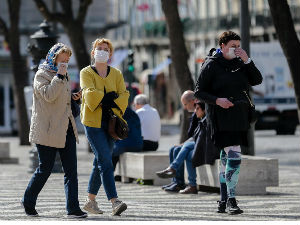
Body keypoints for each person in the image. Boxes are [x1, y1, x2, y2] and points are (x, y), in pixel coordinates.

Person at [194, 31, 263, 214]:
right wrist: (218, 100)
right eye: (233, 46)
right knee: (234, 155)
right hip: (219, 116)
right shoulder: (211, 64)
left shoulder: (241, 64)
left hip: (239, 115)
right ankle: (231, 200)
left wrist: (247, 60)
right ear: (222, 46)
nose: (236, 49)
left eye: (238, 46)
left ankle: (223, 200)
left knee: (227, 158)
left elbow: (257, 80)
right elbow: (199, 92)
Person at [21, 43, 87, 218]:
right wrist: (59, 76)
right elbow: (49, 95)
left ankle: (73, 208)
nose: (64, 63)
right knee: (45, 168)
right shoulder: (41, 75)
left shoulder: (63, 76)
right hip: (47, 129)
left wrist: (74, 98)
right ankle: (28, 201)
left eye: (67, 60)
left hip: (66, 128)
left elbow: (60, 100)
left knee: (71, 170)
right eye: (62, 60)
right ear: (53, 58)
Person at [80, 38, 129, 216]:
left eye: (105, 49)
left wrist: (106, 98)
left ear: (110, 53)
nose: (102, 51)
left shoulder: (116, 73)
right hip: (93, 123)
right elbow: (89, 94)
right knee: (106, 161)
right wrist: (109, 97)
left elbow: (124, 95)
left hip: (111, 123)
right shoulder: (86, 72)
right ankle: (114, 201)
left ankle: (90, 202)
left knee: (99, 161)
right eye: (99, 48)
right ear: (93, 52)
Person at [156, 102, 207, 194]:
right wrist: (183, 144)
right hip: (199, 145)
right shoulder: (201, 119)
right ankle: (191, 185)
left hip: (208, 148)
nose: (195, 111)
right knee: (187, 154)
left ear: (204, 110)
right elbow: (194, 137)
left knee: (186, 146)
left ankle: (173, 168)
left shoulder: (207, 121)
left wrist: (185, 144)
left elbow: (202, 139)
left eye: (198, 109)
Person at [159, 90, 198, 192]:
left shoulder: (200, 112)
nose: (184, 108)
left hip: (201, 144)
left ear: (193, 101)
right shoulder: (196, 113)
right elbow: (194, 135)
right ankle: (175, 181)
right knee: (173, 149)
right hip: (195, 142)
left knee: (179, 150)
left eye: (185, 104)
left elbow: (199, 135)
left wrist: (185, 143)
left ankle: (178, 181)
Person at [112, 106, 143, 170]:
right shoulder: (133, 114)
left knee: (111, 153)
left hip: (127, 143)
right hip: (139, 144)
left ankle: (109, 174)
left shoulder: (120, 113)